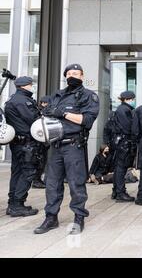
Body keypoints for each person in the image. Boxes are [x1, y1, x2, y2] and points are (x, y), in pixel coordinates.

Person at [34, 64, 99, 235]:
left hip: (73, 145)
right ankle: (51, 217)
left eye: (76, 73)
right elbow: (46, 113)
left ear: (82, 76)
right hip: (55, 145)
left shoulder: (88, 96)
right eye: (69, 73)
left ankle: (79, 217)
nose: (72, 76)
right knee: (52, 184)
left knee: (76, 184)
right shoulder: (58, 95)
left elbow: (86, 120)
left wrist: (63, 114)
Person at [4, 77, 41, 217]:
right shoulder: (23, 101)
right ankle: (17, 204)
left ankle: (12, 204)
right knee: (28, 172)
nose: (32, 87)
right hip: (26, 143)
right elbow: (33, 120)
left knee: (17, 172)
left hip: (17, 143)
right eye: (31, 85)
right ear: (26, 86)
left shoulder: (12, 100)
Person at [111, 91, 137, 202]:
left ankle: (116, 191)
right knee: (121, 168)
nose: (133, 101)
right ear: (128, 99)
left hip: (121, 141)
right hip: (124, 142)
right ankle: (120, 192)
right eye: (132, 99)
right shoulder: (124, 110)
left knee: (119, 167)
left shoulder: (122, 109)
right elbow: (128, 127)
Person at [32, 95, 51, 189]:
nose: (44, 104)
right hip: (38, 141)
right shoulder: (38, 112)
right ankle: (36, 180)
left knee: (43, 161)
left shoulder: (48, 111)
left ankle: (38, 179)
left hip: (44, 142)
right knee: (39, 161)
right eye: (43, 103)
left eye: (46, 103)